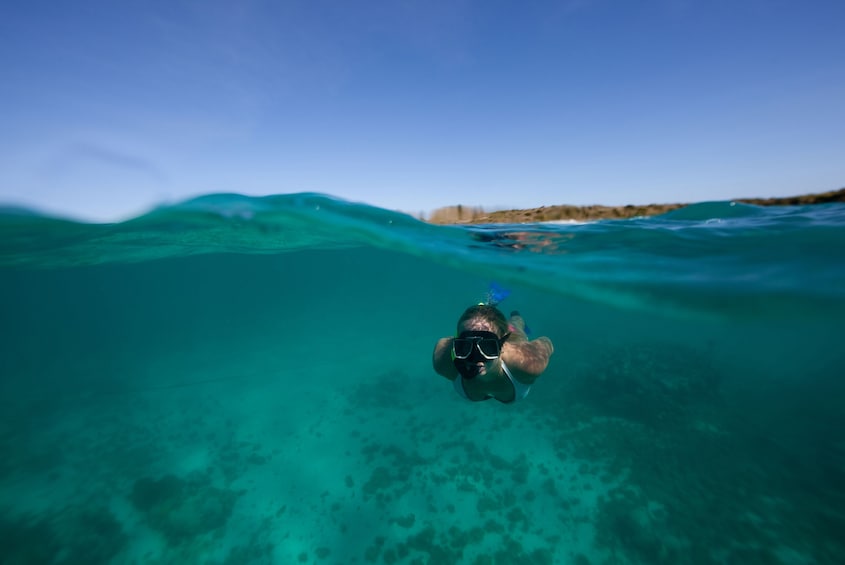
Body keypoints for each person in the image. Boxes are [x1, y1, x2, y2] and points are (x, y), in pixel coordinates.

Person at [432, 304, 554, 404]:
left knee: (515, 326)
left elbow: (546, 342)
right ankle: (486, 309)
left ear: (502, 346)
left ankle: (515, 316)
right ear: (456, 345)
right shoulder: (443, 361)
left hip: (513, 339)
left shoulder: (527, 363)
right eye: (465, 346)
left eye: (487, 347)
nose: (475, 358)